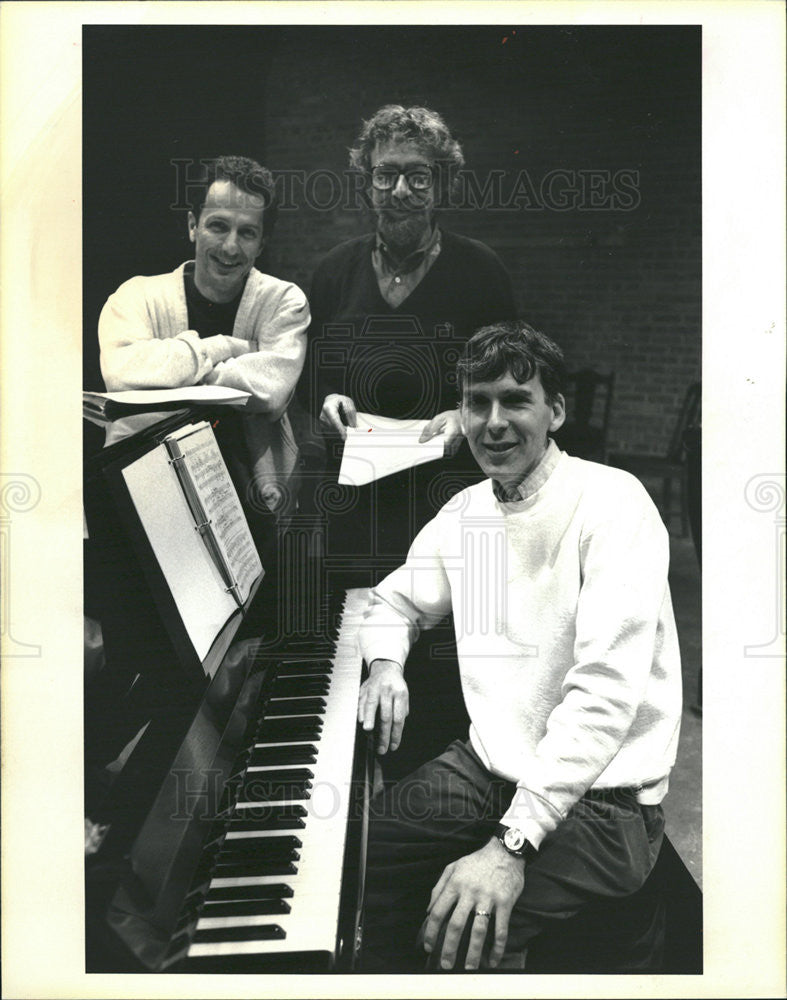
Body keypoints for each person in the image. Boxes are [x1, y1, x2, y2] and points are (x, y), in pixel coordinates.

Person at [356, 321, 683, 972]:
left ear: (554, 410)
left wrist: (508, 848)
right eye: (477, 402)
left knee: (459, 941)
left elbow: (601, 696)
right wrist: (387, 663)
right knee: (346, 863)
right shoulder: (470, 514)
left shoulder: (612, 505)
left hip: (602, 801)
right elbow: (392, 601)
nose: (493, 422)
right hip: (488, 769)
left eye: (514, 399)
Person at [299, 105, 517, 582]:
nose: (400, 191)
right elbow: (309, 382)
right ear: (367, 183)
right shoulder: (333, 271)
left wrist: (467, 413)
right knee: (355, 639)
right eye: (385, 175)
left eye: (418, 176)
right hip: (356, 511)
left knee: (447, 646)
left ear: (441, 186)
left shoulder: (483, 272)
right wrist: (326, 399)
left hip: (452, 503)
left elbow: (516, 384)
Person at [98, 155, 310, 543]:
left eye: (247, 233)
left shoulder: (283, 301)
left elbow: (271, 391)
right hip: (148, 494)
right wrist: (222, 347)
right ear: (193, 225)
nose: (231, 246)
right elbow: (121, 372)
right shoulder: (135, 296)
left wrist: (167, 378)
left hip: (251, 497)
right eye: (218, 226)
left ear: (262, 242)